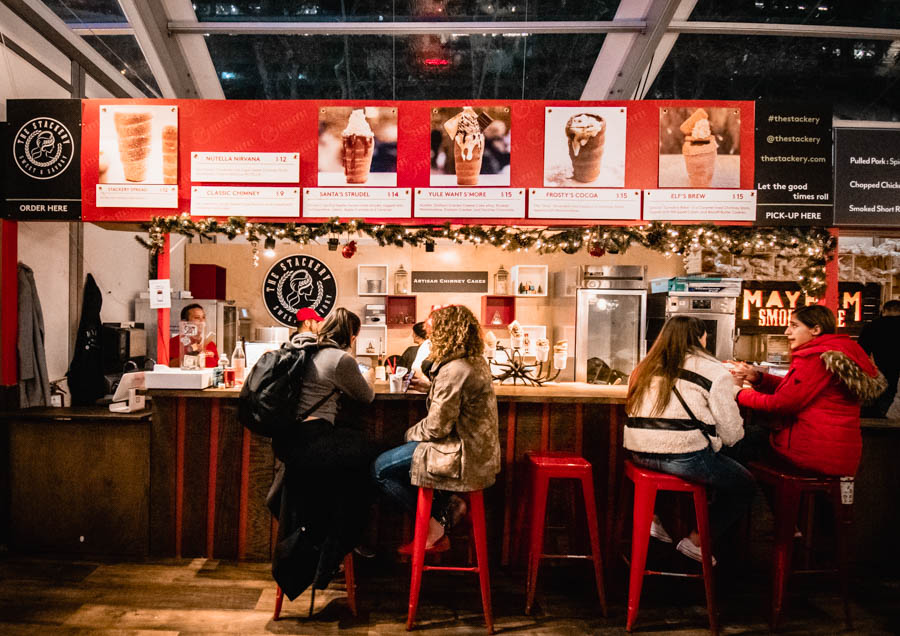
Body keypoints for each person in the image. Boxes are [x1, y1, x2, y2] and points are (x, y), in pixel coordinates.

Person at [625, 316, 753, 564]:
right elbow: (731, 435)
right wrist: (734, 392)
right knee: (744, 484)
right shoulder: (714, 371)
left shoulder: (643, 367)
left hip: (638, 454)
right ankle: (697, 541)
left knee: (678, 461)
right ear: (701, 338)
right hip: (684, 459)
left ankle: (655, 517)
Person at [268, 308, 376, 600]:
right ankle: (343, 543)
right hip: (314, 443)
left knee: (350, 470)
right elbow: (366, 397)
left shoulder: (303, 350)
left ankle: (336, 546)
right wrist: (373, 376)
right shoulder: (341, 359)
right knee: (370, 460)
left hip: (288, 443)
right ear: (352, 336)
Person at [373, 305, 500, 552]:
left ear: (446, 333)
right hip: (478, 453)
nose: (431, 339)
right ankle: (447, 506)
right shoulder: (474, 361)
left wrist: (407, 435)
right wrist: (432, 387)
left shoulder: (454, 370)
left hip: (459, 455)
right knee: (401, 458)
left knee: (380, 469)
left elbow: (435, 428)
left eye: (434, 333)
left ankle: (436, 523)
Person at [732, 305, 886, 476]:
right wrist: (758, 378)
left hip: (812, 454)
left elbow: (782, 403)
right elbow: (796, 389)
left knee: (739, 442)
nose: (787, 331)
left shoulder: (815, 357)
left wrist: (739, 394)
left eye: (794, 325)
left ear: (816, 329)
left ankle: (760, 501)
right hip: (838, 453)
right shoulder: (838, 351)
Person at [857, 300, 900, 418]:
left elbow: (862, 352)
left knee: (880, 400)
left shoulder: (872, 326)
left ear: (884, 310)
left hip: (880, 370)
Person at [168, 303, 218, 368]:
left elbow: (217, 366)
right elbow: (170, 365)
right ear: (185, 322)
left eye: (203, 317)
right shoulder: (173, 343)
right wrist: (192, 353)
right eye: (197, 318)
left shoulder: (211, 344)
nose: (202, 321)